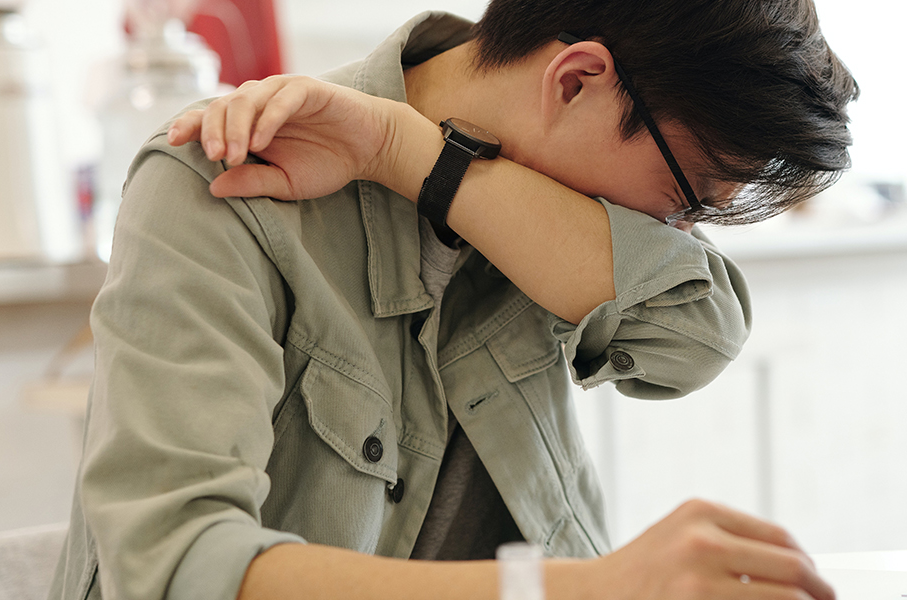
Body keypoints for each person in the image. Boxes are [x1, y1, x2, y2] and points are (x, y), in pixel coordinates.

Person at [49, 1, 858, 599]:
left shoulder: (537, 200)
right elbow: (176, 567)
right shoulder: (220, 181)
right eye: (686, 200)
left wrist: (408, 155)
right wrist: (579, 590)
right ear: (575, 81)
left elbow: (698, 329)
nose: (675, 230)